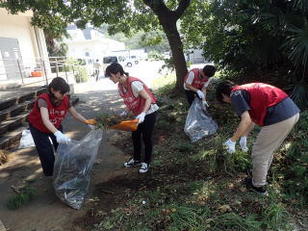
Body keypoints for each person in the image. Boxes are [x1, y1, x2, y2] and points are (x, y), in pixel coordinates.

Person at [216, 80, 300, 194]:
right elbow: (251, 119)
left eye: (224, 101)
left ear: (223, 95)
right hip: (291, 113)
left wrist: (232, 140)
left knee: (259, 152)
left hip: (280, 116)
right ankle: (262, 176)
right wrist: (244, 136)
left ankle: (258, 186)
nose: (227, 103)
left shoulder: (235, 94)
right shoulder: (243, 90)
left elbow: (246, 119)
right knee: (267, 150)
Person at [28, 77, 94, 176]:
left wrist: (88, 122)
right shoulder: (43, 100)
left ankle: (63, 169)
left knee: (62, 148)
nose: (63, 96)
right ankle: (52, 175)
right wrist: (57, 133)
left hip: (55, 125)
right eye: (61, 93)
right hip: (38, 128)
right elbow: (45, 120)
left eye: (65, 93)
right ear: (53, 90)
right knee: (46, 153)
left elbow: (75, 114)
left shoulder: (65, 100)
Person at [105, 62, 159, 173]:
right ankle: (137, 159)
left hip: (149, 111)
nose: (110, 79)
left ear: (118, 73)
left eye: (110, 76)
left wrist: (143, 113)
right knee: (135, 136)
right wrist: (124, 113)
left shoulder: (133, 83)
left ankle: (146, 162)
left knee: (146, 137)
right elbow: (130, 103)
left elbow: (148, 98)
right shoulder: (120, 87)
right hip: (138, 114)